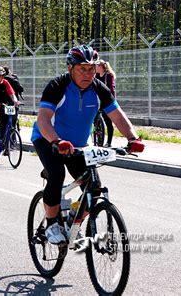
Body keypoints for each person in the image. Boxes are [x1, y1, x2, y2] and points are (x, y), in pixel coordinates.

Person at [31, 45, 145, 244]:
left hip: (77, 146)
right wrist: (57, 141)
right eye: (82, 68)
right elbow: (43, 119)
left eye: (91, 69)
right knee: (57, 175)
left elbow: (117, 116)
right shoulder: (57, 86)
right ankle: (51, 225)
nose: (87, 73)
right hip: (48, 139)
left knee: (94, 187)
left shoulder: (99, 89)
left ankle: (73, 218)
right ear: (70, 69)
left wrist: (132, 138)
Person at [96, 60, 117, 147]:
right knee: (92, 116)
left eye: (96, 65)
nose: (94, 67)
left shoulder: (108, 75)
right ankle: (97, 131)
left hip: (107, 100)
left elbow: (112, 89)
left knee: (108, 122)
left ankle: (109, 142)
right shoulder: (96, 75)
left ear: (100, 66)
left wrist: (110, 102)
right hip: (98, 100)